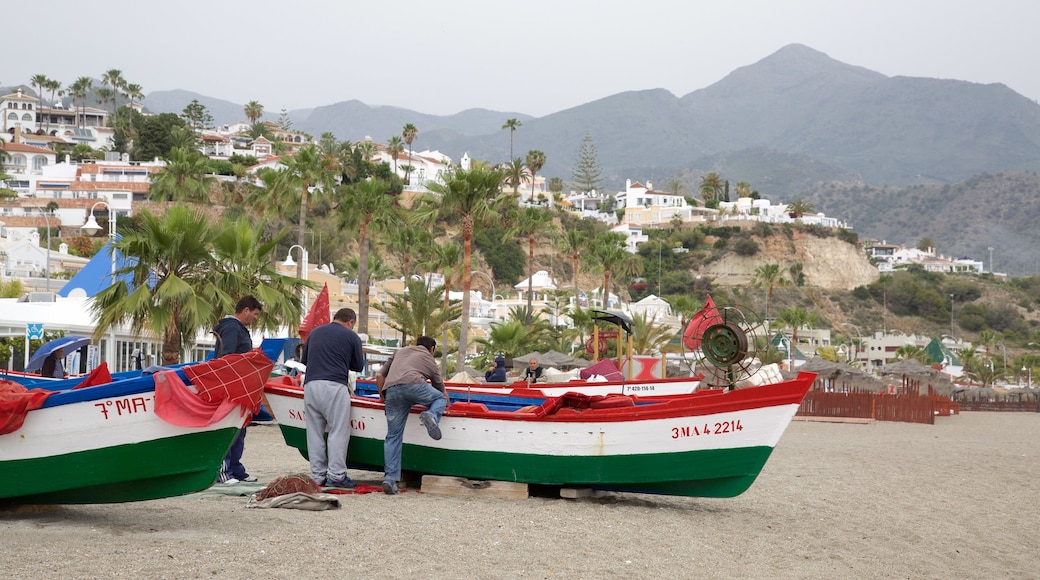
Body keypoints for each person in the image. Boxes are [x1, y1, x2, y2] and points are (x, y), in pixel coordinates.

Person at [301, 308, 365, 488]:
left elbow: (305, 360)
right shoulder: (352, 337)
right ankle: (337, 475)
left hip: (311, 385)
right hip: (335, 385)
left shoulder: (315, 333)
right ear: (351, 322)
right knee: (338, 431)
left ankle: (317, 476)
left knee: (314, 432)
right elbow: (358, 366)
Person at [376, 335, 447, 495]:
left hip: (391, 390)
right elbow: (439, 389)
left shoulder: (399, 352)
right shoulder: (429, 358)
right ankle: (431, 416)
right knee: (439, 398)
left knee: (393, 436)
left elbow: (380, 376)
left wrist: (382, 396)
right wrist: (444, 403)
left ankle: (390, 480)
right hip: (414, 386)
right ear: (432, 349)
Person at [213, 295, 263, 484]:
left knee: (239, 429)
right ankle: (224, 471)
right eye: (255, 314)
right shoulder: (232, 327)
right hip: (232, 386)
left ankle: (235, 469)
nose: (255, 318)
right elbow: (227, 358)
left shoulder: (235, 328)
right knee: (230, 428)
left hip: (240, 387)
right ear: (246, 311)